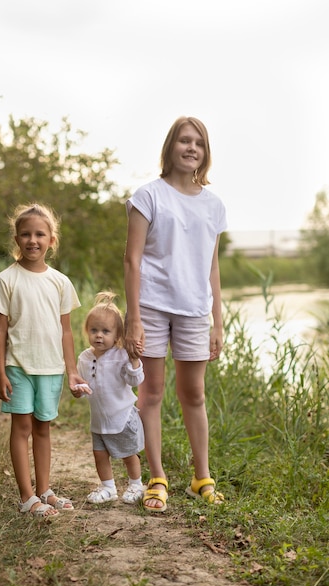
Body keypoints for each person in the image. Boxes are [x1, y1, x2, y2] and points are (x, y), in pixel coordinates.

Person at [124, 116, 227, 513]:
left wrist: (218, 321)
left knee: (194, 394)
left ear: (205, 152)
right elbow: (132, 260)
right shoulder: (148, 196)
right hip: (151, 304)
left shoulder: (214, 205)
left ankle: (201, 478)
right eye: (184, 141)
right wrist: (133, 318)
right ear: (171, 147)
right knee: (150, 393)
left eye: (198, 143)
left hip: (195, 309)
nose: (191, 148)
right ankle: (157, 477)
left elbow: (212, 266)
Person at [0, 203, 88, 519]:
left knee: (43, 428)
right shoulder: (6, 279)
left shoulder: (60, 282)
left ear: (51, 240)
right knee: (22, 427)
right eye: (26, 234)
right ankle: (27, 497)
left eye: (40, 234)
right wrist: (0, 372)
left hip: (51, 368)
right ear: (16, 238)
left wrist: (72, 372)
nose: (33, 240)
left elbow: (66, 332)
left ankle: (44, 490)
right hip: (18, 366)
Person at [73, 291, 146, 505]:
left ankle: (136, 484)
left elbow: (135, 381)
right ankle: (108, 487)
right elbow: (82, 383)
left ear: (117, 336)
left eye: (106, 331)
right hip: (98, 420)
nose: (99, 335)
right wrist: (77, 389)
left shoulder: (122, 355)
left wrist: (134, 362)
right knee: (99, 454)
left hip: (122, 416)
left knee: (128, 454)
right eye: (94, 330)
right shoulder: (84, 358)